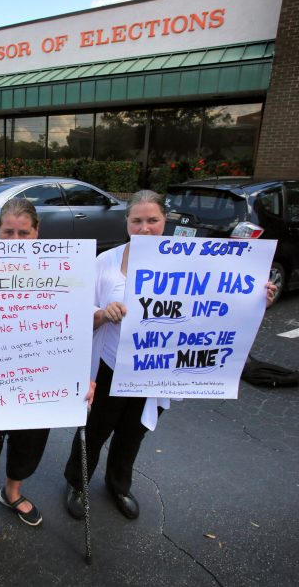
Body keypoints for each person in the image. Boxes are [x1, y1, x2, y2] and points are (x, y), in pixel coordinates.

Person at [63, 190, 278, 521]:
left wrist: (257, 297)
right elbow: (78, 311)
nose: (144, 228)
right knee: (95, 429)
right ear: (126, 221)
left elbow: (221, 295)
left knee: (133, 432)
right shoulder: (105, 262)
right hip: (109, 364)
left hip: (155, 367)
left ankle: (118, 485)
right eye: (137, 220)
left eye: (153, 220)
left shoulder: (188, 260)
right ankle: (77, 483)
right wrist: (103, 313)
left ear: (165, 221)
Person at [0, 198, 93, 566]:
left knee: (30, 442)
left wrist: (81, 377)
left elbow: (75, 329)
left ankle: (11, 492)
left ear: (36, 232)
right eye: (7, 232)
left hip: (40, 383)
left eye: (23, 232)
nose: (14, 240)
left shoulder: (63, 271)